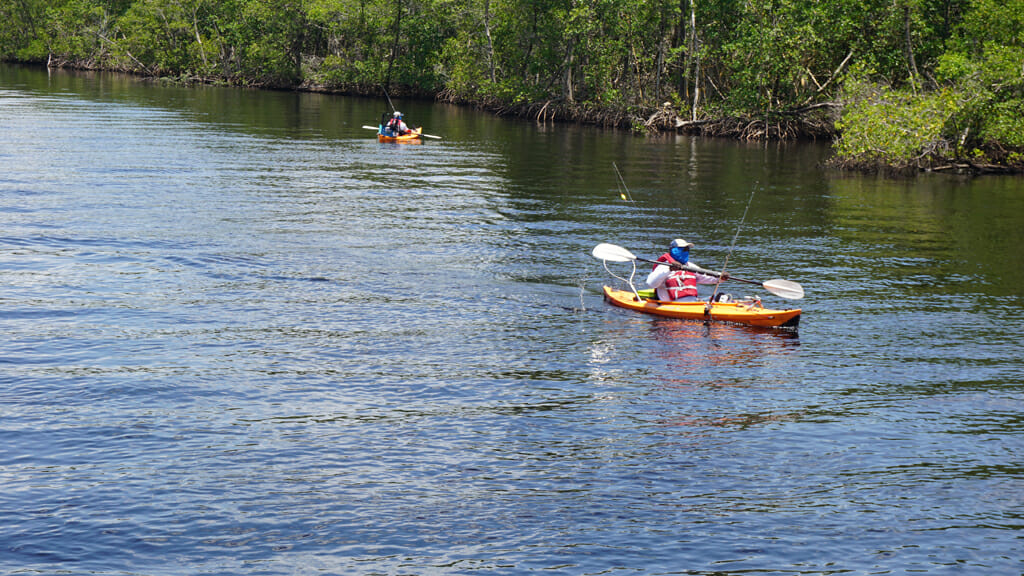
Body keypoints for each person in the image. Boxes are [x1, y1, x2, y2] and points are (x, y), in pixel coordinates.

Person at [645, 238, 727, 302]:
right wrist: (669, 269)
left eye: (687, 249)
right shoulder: (664, 266)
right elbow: (650, 283)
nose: (686, 251)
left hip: (691, 304)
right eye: (684, 249)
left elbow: (706, 277)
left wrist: (721, 277)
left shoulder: (689, 266)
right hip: (670, 305)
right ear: (674, 250)